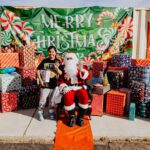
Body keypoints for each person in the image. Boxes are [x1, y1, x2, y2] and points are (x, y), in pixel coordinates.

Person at [58, 52, 90, 127]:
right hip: (69, 87)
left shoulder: (80, 66)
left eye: (71, 58)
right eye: (67, 58)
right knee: (67, 96)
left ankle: (80, 117)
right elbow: (60, 80)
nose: (69, 60)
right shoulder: (63, 68)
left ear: (74, 59)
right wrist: (64, 87)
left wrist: (81, 70)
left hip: (79, 87)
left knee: (84, 96)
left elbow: (87, 77)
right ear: (65, 60)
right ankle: (72, 117)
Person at [37, 46, 62, 121]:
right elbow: (38, 70)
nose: (51, 53)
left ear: (55, 52)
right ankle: (40, 112)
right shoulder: (45, 61)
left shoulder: (57, 61)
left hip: (54, 85)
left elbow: (60, 73)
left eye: (53, 51)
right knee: (43, 100)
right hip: (45, 84)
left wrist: (56, 68)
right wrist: (40, 80)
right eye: (50, 51)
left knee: (52, 101)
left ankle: (51, 112)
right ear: (48, 52)